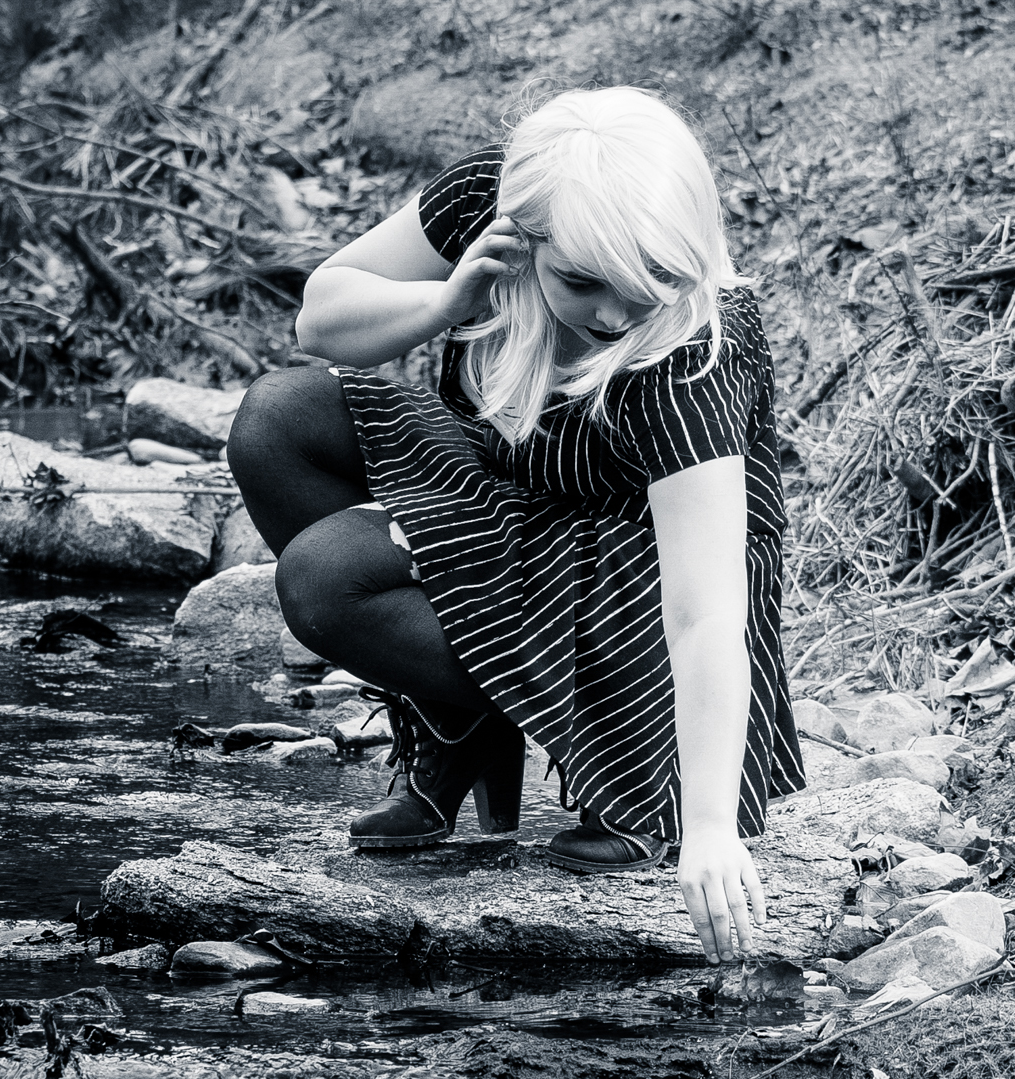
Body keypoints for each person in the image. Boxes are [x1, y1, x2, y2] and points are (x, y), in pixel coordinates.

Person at [226, 86, 803, 966]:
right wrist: (447, 300)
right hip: (517, 489)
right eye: (582, 282)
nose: (614, 316)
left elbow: (706, 612)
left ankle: (624, 761)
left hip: (636, 578)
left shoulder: (691, 353)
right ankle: (460, 724)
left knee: (325, 577)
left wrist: (712, 827)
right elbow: (320, 318)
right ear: (525, 237)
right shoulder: (494, 200)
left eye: (645, 283)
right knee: (278, 420)